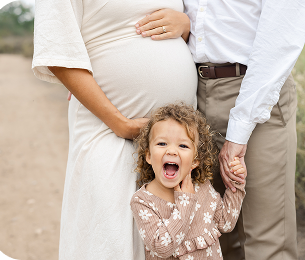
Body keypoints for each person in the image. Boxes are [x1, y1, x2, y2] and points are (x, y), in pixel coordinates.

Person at [135, 1, 305, 259]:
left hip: (256, 93)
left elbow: (280, 41)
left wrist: (239, 131)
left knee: (266, 239)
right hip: (191, 92)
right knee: (209, 232)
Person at [32, 0, 198, 259]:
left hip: (176, 140)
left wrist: (187, 26)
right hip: (106, 129)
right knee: (110, 237)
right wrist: (120, 123)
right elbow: (57, 49)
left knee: (176, 238)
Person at [130, 103, 246, 259]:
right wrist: (185, 202)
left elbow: (226, 222)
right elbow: (163, 248)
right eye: (162, 143)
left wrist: (236, 181)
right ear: (149, 156)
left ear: (194, 161)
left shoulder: (202, 187)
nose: (171, 151)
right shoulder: (143, 201)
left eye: (183, 145)